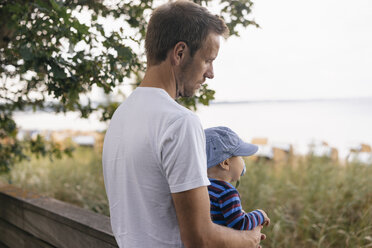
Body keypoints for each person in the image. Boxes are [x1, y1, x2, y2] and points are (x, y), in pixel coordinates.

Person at [102, 1, 266, 247]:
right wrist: (249, 238)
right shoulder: (179, 122)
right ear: (179, 53)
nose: (210, 73)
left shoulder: (122, 116)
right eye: (207, 60)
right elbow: (199, 238)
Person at [205, 126, 270, 230]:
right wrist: (260, 214)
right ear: (225, 163)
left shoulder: (202, 187)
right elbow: (240, 224)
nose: (243, 162)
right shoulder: (227, 192)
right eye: (241, 157)